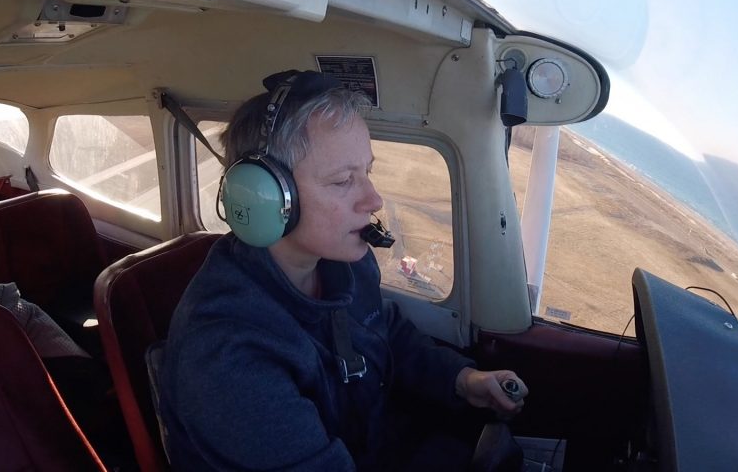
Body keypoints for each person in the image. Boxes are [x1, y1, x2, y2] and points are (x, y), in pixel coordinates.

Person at [160, 70, 528, 471]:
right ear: (265, 196)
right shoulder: (229, 358)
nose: (374, 199)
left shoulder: (345, 264)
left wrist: (461, 380)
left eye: (366, 172)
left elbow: (385, 333)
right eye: (342, 181)